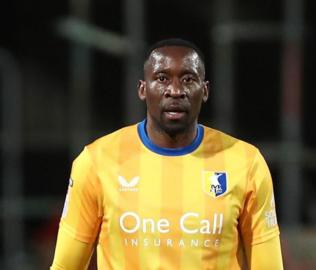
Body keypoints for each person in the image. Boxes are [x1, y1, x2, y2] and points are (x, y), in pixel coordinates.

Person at [50, 38, 283, 269]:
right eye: (162, 78)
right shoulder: (96, 161)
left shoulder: (246, 162)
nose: (175, 91)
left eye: (188, 79)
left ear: (205, 90)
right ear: (143, 89)